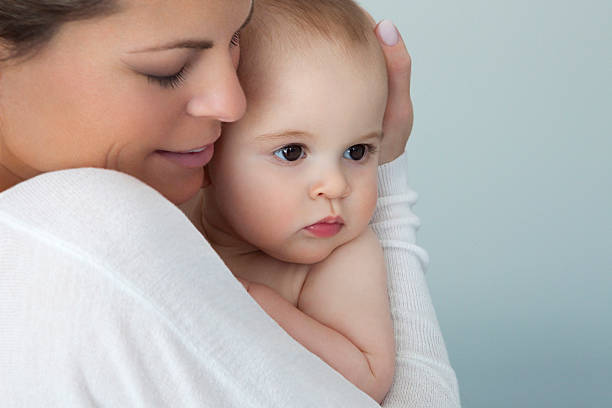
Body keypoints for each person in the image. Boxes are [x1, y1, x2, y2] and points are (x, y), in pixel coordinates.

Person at [0, 0, 460, 406]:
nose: (232, 103)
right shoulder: (78, 234)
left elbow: (368, 376)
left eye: (236, 38)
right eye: (170, 67)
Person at [186, 0, 393, 402]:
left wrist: (248, 303)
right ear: (208, 152)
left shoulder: (342, 256)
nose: (334, 186)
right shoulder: (169, 215)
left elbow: (368, 380)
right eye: (293, 152)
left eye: (357, 152)